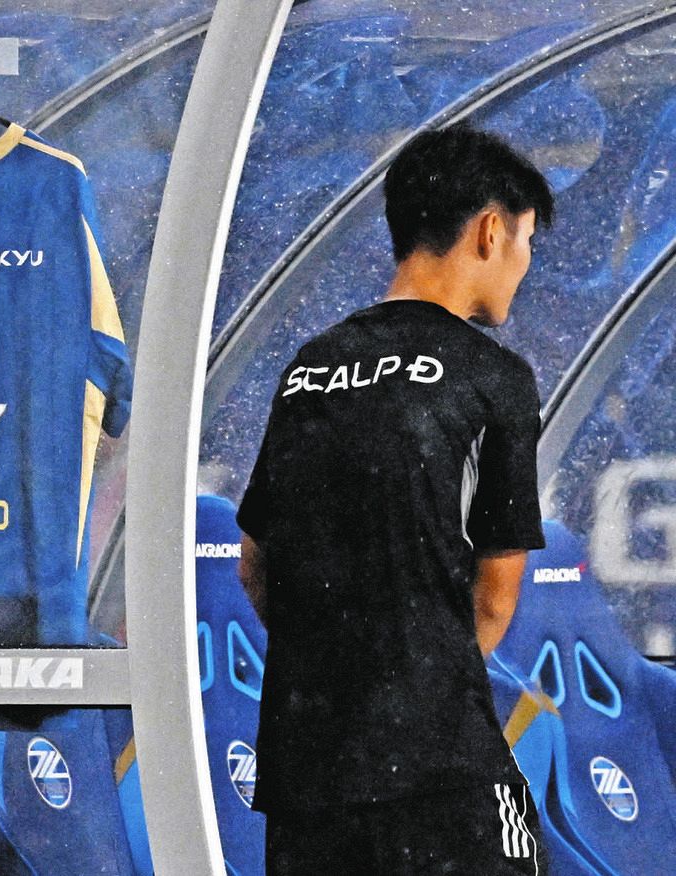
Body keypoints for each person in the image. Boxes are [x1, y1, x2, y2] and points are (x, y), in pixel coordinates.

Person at [236, 124, 554, 874]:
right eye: (527, 240)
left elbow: (256, 566)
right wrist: (412, 683)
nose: (526, 264)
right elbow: (495, 598)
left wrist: (345, 674)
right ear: (489, 231)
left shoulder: (309, 368)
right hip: (437, 771)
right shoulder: (492, 377)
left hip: (306, 774)